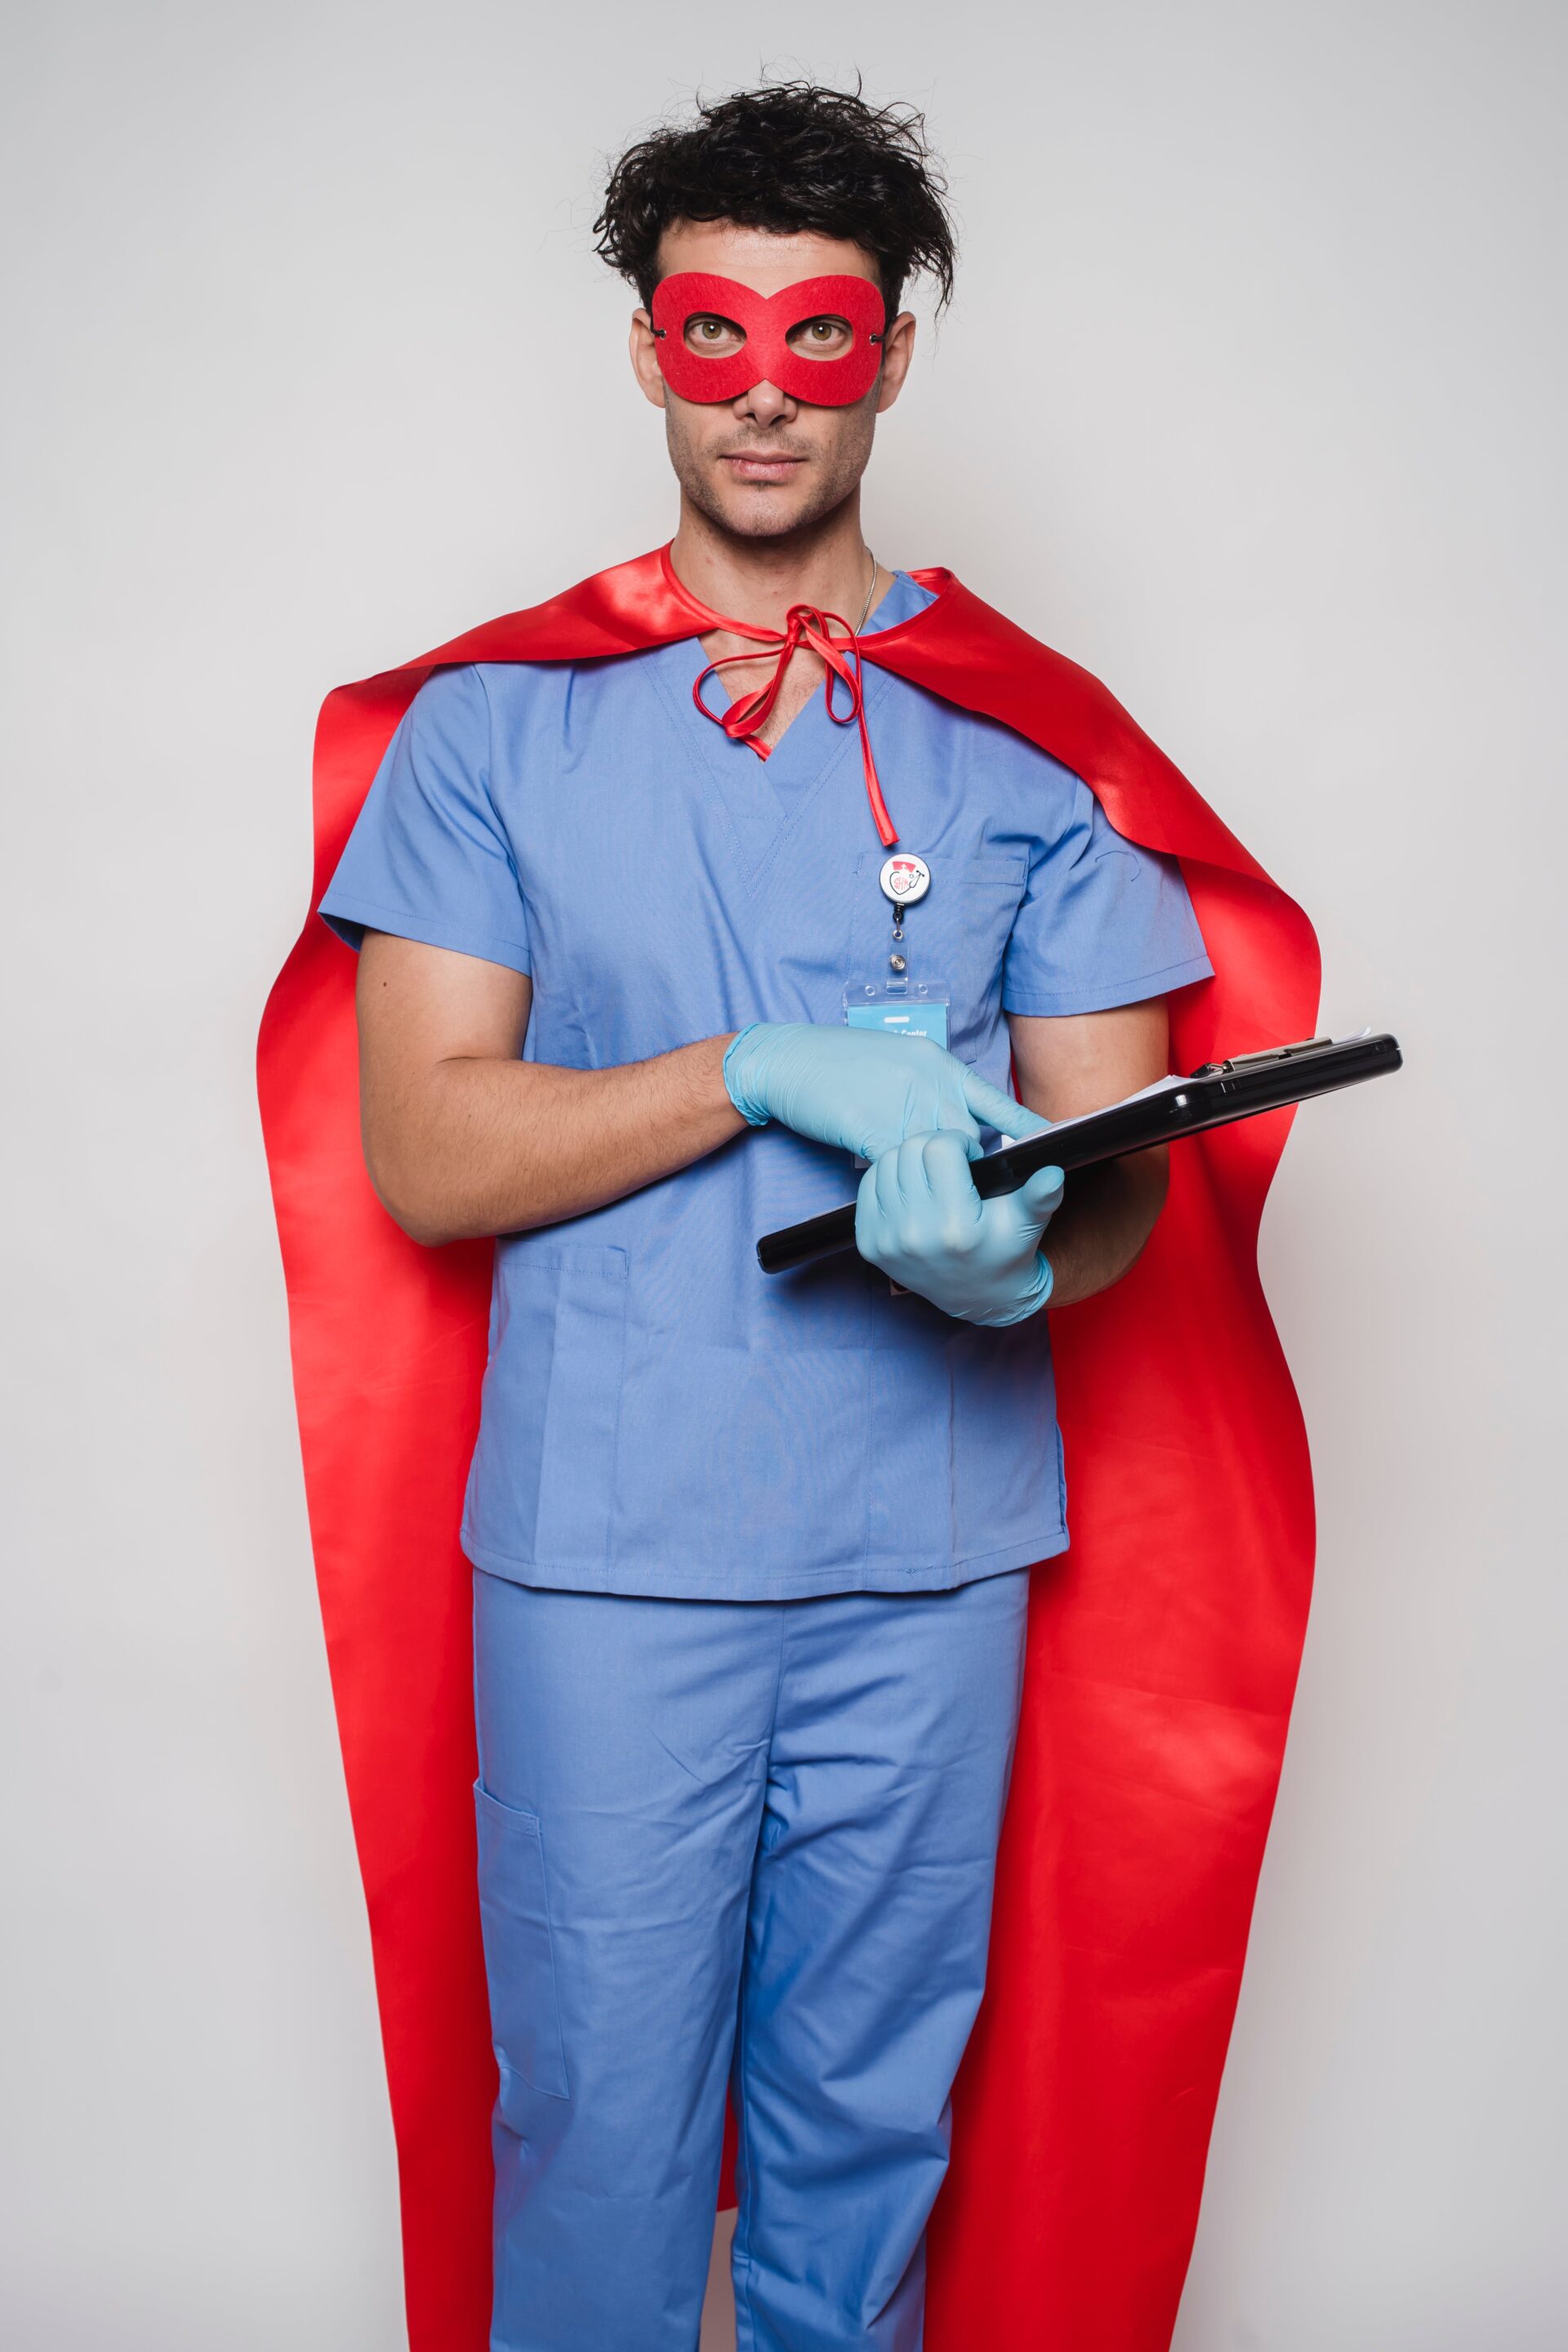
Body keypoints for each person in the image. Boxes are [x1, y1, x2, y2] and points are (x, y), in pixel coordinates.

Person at [260, 81, 1319, 2352]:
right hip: (608, 1555)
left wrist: (1025, 1248)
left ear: (895, 355)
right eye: (713, 333)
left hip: (928, 1552)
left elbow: (1115, 1170)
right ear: (647, 347)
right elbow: (432, 1155)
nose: (763, 390)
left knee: (873, 2147)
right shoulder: (491, 736)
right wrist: (750, 1073)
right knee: (601, 2141)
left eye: (818, 340)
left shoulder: (1033, 746)